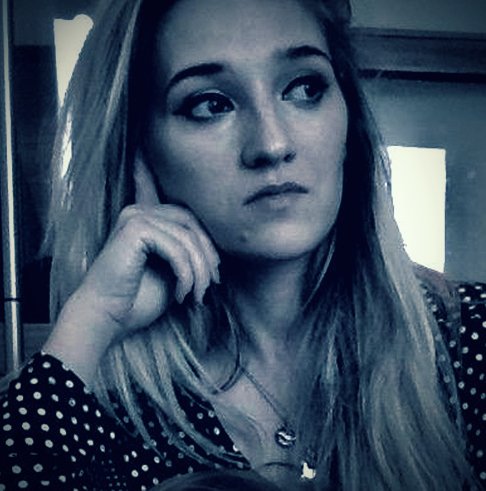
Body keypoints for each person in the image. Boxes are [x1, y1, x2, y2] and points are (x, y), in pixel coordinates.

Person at [1, 0, 485, 489]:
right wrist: (91, 319)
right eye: (211, 104)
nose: (272, 144)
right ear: (137, 147)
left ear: (348, 120)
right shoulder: (105, 411)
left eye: (304, 87)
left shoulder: (468, 341)